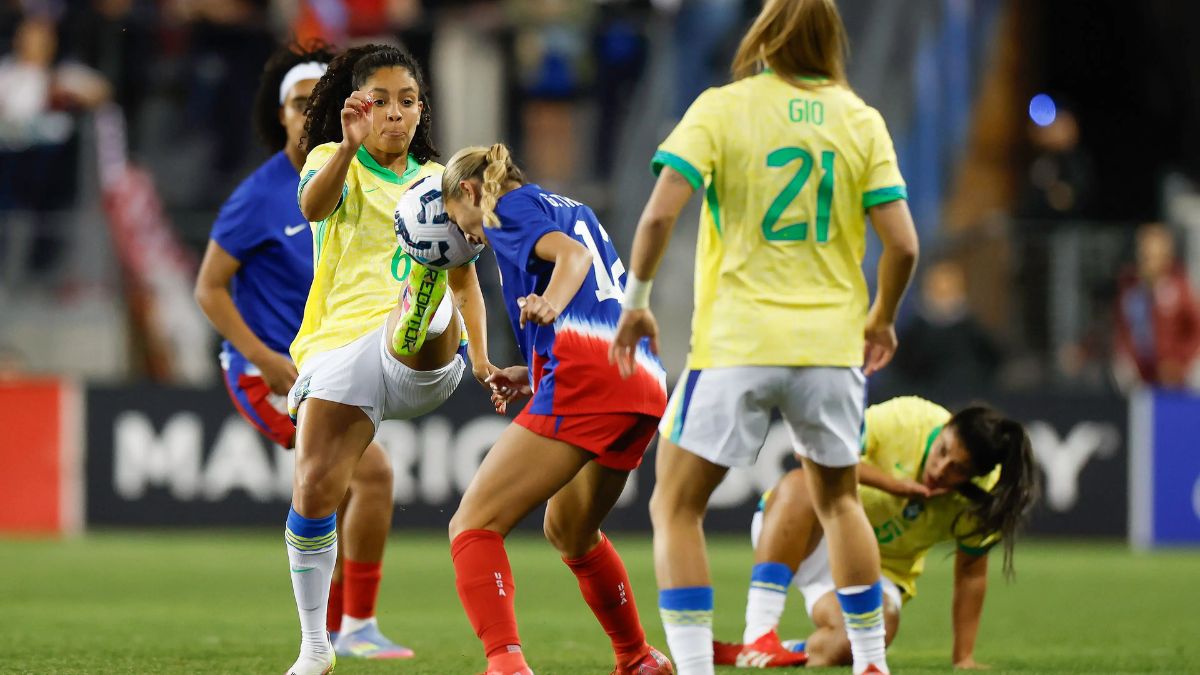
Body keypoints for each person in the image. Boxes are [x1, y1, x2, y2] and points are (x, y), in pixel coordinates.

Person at [608, 1, 920, 674]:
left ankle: (694, 667)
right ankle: (872, 662)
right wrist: (883, 316)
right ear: (833, 39)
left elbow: (660, 213)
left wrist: (637, 301)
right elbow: (903, 243)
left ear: (764, 35)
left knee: (675, 503)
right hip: (831, 345)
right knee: (838, 501)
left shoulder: (722, 108)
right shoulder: (860, 119)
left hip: (738, 341)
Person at [193, 42, 417, 662]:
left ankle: (346, 627)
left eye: (317, 101)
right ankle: (344, 628)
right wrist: (261, 356)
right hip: (270, 371)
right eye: (296, 103)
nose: (305, 112)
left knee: (360, 479)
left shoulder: (375, 181)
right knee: (366, 475)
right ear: (283, 113)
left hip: (328, 361)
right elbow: (208, 287)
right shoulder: (260, 195)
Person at [282, 43, 493, 675]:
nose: (394, 114)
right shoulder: (330, 161)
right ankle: (318, 646)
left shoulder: (438, 182)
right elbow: (310, 208)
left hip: (419, 352)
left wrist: (483, 364)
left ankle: (416, 296)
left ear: (421, 109)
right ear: (358, 107)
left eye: (407, 102)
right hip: (340, 350)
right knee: (315, 487)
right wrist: (347, 146)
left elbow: (468, 285)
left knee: (430, 302)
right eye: (381, 102)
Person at [441, 143, 672, 675]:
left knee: (472, 525)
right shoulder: (570, 206)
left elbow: (573, 261)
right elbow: (600, 294)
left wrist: (551, 304)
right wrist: (535, 372)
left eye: (461, 221)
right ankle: (638, 658)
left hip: (591, 378)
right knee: (569, 528)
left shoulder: (505, 209)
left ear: (471, 192)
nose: (469, 237)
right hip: (640, 380)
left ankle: (506, 666)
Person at [713, 397, 1038, 669]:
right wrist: (893, 485)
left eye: (959, 470)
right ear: (945, 426)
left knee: (863, 640)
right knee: (802, 485)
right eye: (942, 451)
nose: (941, 470)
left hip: (879, 572)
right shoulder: (910, 418)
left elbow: (970, 574)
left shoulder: (982, 498)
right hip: (810, 535)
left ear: (977, 476)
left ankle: (768, 652)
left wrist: (963, 657)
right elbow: (812, 454)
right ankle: (760, 631)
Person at [1113, 223, 1200, 389]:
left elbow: (1196, 330)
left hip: (1177, 372)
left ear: (1165, 257)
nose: (1147, 262)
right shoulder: (1131, 290)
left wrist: (1180, 362)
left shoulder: (1179, 287)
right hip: (1143, 372)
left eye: (1152, 256)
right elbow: (1123, 331)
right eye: (1143, 255)